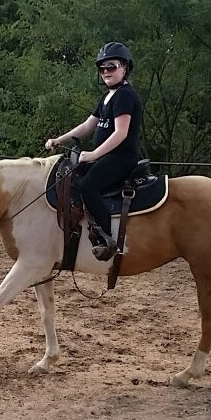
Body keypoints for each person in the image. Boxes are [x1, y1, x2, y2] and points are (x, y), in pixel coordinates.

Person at [45, 42, 143, 260]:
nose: (106, 71)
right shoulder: (107, 97)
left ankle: (107, 238)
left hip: (121, 158)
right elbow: (87, 126)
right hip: (108, 156)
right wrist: (59, 140)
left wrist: (95, 154)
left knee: (87, 186)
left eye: (112, 66)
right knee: (72, 174)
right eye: (103, 68)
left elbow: (121, 133)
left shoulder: (125, 95)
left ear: (124, 68)